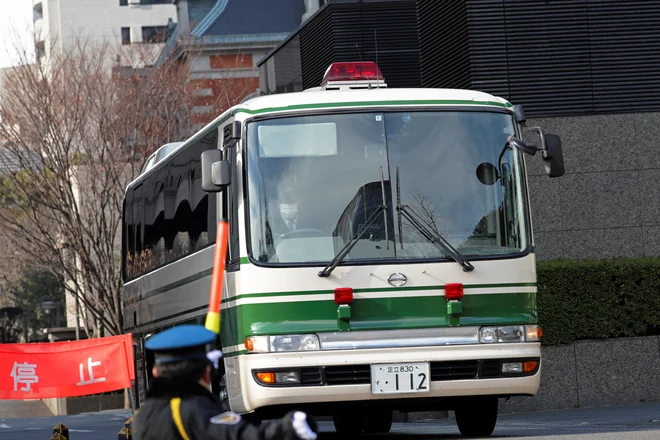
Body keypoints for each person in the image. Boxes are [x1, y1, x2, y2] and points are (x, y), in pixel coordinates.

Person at [133, 324, 318, 440]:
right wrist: (288, 427)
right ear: (206, 373)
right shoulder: (189, 408)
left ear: (156, 372)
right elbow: (237, 435)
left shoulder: (143, 415)